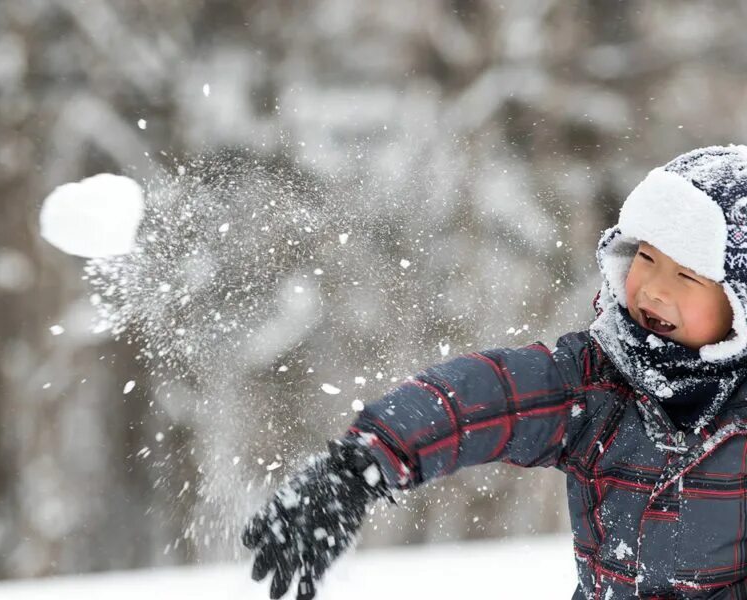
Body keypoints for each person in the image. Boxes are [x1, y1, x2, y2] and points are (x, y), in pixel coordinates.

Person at [242, 145, 747, 599]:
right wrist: (359, 467)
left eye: (687, 275)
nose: (654, 290)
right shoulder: (596, 385)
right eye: (646, 258)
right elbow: (479, 398)